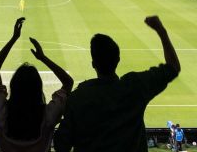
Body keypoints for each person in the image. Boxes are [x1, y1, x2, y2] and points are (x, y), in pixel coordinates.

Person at [54, 15, 180, 152]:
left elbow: (62, 145)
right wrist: (161, 31)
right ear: (118, 59)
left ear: (93, 64)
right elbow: (173, 67)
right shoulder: (135, 86)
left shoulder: (78, 98)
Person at [0, 18, 73, 152]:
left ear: (14, 87)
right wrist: (42, 57)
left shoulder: (1, 112)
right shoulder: (48, 116)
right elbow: (68, 82)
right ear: (38, 88)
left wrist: (14, 38)